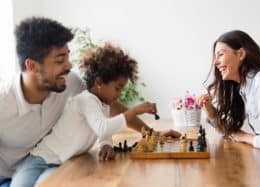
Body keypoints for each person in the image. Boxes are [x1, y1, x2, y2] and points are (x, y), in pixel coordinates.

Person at [0, 17, 180, 187]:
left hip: (53, 163)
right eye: (60, 60)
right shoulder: (3, 101)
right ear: (32, 66)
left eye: (68, 57)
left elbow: (107, 108)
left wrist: (150, 133)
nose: (69, 66)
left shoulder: (69, 82)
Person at [197, 30, 260, 172]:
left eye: (220, 54)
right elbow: (230, 131)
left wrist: (243, 136)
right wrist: (210, 112)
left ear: (240, 54)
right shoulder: (245, 88)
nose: (215, 62)